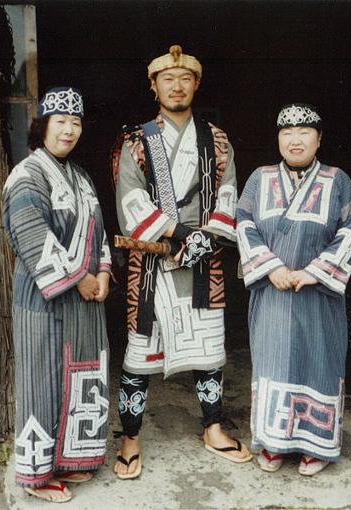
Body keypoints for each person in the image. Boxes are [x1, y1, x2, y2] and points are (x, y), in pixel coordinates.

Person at [112, 45, 251, 479]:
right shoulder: (136, 141)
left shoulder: (218, 139)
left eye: (185, 78)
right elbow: (130, 199)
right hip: (153, 262)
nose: (177, 86)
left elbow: (229, 194)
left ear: (197, 84)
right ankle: (130, 438)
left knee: (209, 350)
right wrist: (178, 233)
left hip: (205, 260)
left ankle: (212, 427)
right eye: (167, 79)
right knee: (140, 354)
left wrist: (204, 238)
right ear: (153, 86)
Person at [236, 104, 351, 476]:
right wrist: (272, 268)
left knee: (318, 363)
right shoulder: (259, 179)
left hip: (318, 295)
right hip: (273, 292)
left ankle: (317, 447)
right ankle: (273, 443)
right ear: (278, 139)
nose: (295, 140)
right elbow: (243, 224)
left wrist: (314, 272)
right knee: (273, 361)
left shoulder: (338, 180)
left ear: (318, 139)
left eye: (305, 132)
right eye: (287, 133)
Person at [2, 87, 112, 502]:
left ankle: (71, 459)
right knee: (42, 381)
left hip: (84, 302)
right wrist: (80, 279)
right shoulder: (27, 174)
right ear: (43, 125)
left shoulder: (81, 178)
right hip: (43, 299)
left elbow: (98, 231)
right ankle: (37, 475)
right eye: (61, 121)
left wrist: (102, 272)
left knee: (82, 376)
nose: (69, 130)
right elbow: (32, 235)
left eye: (76, 122)